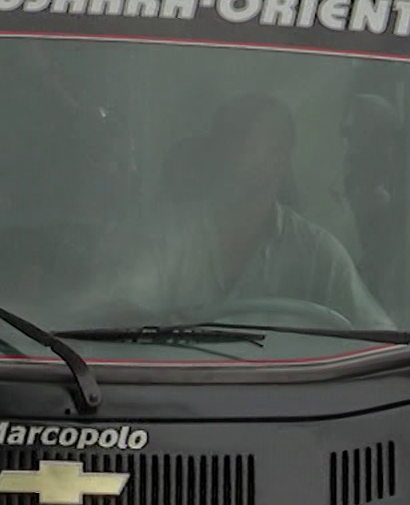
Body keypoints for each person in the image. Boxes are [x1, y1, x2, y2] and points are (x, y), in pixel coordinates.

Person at [147, 92, 394, 329]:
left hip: (293, 373)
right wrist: (152, 323)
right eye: (226, 139)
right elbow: (117, 311)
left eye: (246, 140)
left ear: (282, 157)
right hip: (175, 372)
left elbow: (380, 336)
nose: (232, 153)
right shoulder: (168, 237)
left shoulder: (318, 253)